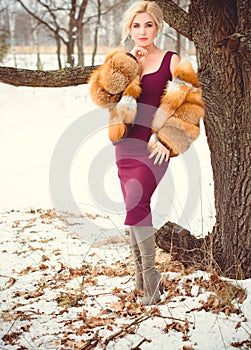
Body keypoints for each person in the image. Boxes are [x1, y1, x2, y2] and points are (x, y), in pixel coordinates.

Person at [114, 1, 180, 305]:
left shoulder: (171, 59)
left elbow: (189, 105)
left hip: (155, 147)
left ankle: (151, 280)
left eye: (148, 25)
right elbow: (105, 96)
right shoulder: (124, 59)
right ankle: (141, 278)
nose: (142, 31)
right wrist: (131, 69)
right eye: (136, 25)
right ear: (130, 28)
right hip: (126, 143)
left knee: (138, 201)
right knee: (134, 205)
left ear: (158, 27)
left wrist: (167, 139)